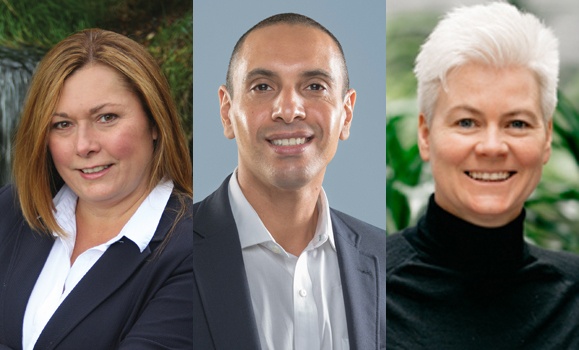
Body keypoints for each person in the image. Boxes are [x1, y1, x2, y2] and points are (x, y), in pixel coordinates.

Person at [386, 2, 579, 348]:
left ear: (546, 138)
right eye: (467, 122)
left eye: (517, 123)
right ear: (426, 135)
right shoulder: (357, 292)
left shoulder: (574, 299)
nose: (492, 146)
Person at [192, 13, 386, 350]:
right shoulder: (171, 251)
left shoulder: (386, 261)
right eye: (263, 87)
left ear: (347, 114)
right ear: (227, 112)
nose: (289, 109)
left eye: (314, 87)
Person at [0, 28, 193, 349]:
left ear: (155, 122)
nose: (84, 145)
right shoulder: (11, 210)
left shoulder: (195, 251)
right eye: (62, 124)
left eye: (106, 117)